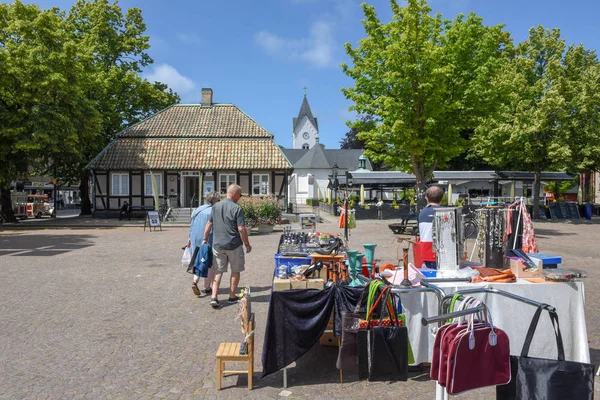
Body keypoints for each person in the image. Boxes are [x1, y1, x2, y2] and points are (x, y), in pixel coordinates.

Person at [202, 184, 251, 308]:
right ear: (234, 194)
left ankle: (214, 297)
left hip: (218, 245)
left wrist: (205, 239)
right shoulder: (237, 208)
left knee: (218, 272)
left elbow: (209, 224)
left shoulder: (216, 206)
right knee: (235, 270)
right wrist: (247, 244)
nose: (240, 197)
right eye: (240, 194)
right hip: (234, 244)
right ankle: (232, 296)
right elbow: (241, 228)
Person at [189, 191, 221, 297]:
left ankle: (195, 281)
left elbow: (192, 224)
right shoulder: (214, 210)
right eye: (218, 200)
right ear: (214, 200)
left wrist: (189, 237)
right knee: (209, 263)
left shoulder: (198, 209)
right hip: (207, 238)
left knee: (199, 260)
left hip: (195, 238)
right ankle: (207, 287)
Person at [418, 185, 444, 269]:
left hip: (426, 254)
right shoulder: (444, 212)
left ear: (427, 198)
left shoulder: (422, 213)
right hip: (442, 255)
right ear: (441, 198)